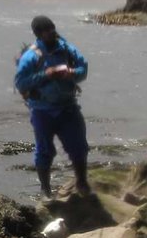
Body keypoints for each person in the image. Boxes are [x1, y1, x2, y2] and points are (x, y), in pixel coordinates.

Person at [14, 15, 90, 197]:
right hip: (42, 110)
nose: (51, 32)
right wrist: (47, 74)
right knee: (44, 151)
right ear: (38, 34)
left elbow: (83, 69)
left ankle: (82, 182)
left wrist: (70, 73)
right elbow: (21, 83)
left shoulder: (67, 50)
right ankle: (45, 189)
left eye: (52, 28)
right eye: (46, 31)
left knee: (78, 147)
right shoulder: (31, 56)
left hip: (68, 107)